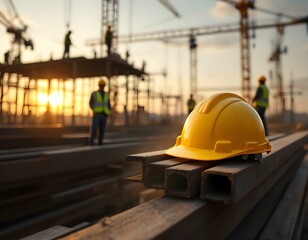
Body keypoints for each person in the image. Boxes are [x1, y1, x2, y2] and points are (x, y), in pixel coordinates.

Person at [89, 79, 111, 145]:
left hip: (104, 114)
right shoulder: (94, 93)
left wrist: (108, 112)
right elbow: (91, 103)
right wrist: (94, 110)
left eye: (103, 85)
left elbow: (108, 104)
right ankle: (91, 143)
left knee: (102, 130)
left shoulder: (106, 94)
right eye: (101, 85)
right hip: (97, 114)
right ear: (99, 86)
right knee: (94, 129)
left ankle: (100, 143)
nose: (102, 87)